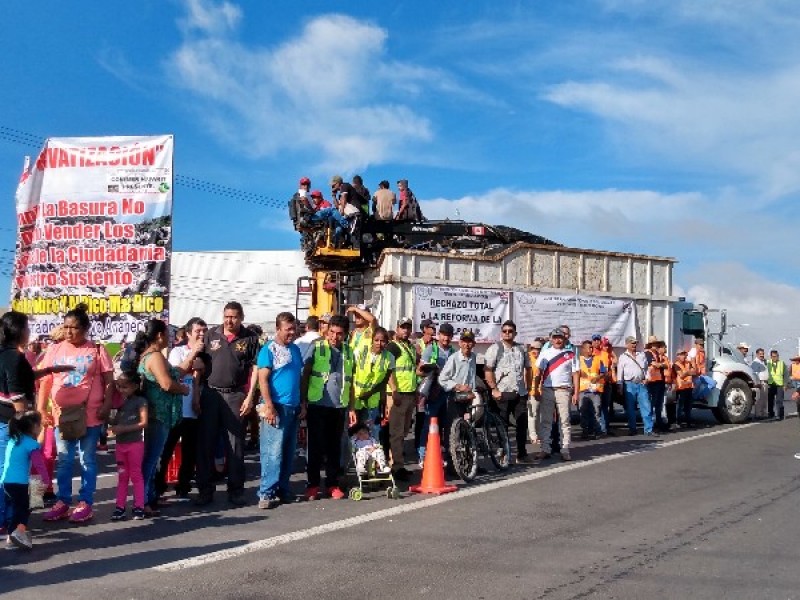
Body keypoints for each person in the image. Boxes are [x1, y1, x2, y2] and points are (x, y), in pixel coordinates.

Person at [39, 304, 114, 524]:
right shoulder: (55, 349)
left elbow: (109, 380)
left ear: (85, 328)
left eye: (74, 328)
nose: (69, 332)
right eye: (66, 327)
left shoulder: (97, 350)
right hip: (61, 415)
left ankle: (85, 503)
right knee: (63, 460)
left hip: (90, 414)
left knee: (87, 459)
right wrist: (42, 409)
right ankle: (62, 502)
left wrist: (107, 404)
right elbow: (46, 381)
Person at [198, 302, 260, 506]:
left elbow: (256, 369)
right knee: (206, 444)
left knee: (235, 446)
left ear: (241, 317)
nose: (229, 320)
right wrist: (197, 395)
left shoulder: (250, 338)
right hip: (210, 394)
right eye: (226, 316)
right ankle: (205, 490)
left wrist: (250, 397)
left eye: (233, 317)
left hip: (235, 396)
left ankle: (236, 490)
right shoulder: (211, 335)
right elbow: (200, 366)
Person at [132, 319, 189, 516]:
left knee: (152, 458)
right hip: (158, 413)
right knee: (151, 459)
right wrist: (183, 389)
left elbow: (174, 372)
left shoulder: (151, 355)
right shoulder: (154, 356)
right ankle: (143, 501)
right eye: (167, 333)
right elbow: (166, 383)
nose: (170, 337)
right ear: (159, 335)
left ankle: (150, 495)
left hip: (157, 412)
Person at [300, 315, 354, 501]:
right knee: (315, 447)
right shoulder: (316, 347)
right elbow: (305, 374)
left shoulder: (349, 351)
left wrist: (352, 407)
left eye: (339, 334)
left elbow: (351, 380)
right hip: (317, 404)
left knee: (334, 448)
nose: (334, 337)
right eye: (331, 332)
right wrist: (303, 402)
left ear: (345, 334)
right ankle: (313, 485)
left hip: (339, 406)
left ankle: (332, 484)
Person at [156, 317, 207, 501]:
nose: (201, 334)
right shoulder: (177, 351)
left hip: (194, 409)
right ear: (188, 333)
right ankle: (158, 485)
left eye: (204, 331)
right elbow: (176, 372)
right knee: (167, 448)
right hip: (177, 409)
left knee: (189, 450)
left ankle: (183, 486)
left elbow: (202, 375)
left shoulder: (206, 352)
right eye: (197, 331)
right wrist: (193, 356)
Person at [256, 312, 303, 509]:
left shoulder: (295, 350)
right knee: (272, 452)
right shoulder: (269, 349)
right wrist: (269, 406)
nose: (291, 333)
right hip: (276, 407)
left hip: (293, 407)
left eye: (294, 329)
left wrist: (303, 404)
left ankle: (283, 490)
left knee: (287, 451)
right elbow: (262, 380)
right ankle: (266, 493)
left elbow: (298, 378)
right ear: (278, 329)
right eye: (287, 329)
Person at [484, 320, 532, 463]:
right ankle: (504, 454)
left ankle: (521, 454)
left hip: (520, 393)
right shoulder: (495, 348)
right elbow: (488, 370)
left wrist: (528, 386)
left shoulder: (522, 349)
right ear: (501, 333)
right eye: (504, 331)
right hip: (503, 392)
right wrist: (494, 389)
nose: (507, 333)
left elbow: (528, 368)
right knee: (502, 426)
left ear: (515, 333)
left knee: (522, 424)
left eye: (510, 331)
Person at [1, 411, 50, 550]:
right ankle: (16, 535)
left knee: (14, 508)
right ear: (33, 426)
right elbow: (39, 464)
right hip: (19, 483)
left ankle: (13, 534)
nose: (40, 427)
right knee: (24, 508)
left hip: (6, 482)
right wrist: (45, 481)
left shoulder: (13, 440)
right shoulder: (30, 444)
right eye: (39, 424)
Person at [533, 329, 579, 461]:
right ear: (551, 339)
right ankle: (545, 449)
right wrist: (536, 389)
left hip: (564, 390)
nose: (558, 340)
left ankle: (565, 449)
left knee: (564, 421)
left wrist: (576, 392)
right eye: (555, 338)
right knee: (546, 421)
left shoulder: (570, 354)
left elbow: (576, 373)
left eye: (560, 338)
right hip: (547, 390)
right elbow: (538, 372)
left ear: (564, 339)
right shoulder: (545, 353)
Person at [109, 371, 148, 521]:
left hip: (135, 444)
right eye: (119, 386)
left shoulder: (140, 401)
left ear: (135, 386)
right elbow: (114, 421)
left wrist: (122, 428)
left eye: (124, 387)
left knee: (136, 475)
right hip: (120, 445)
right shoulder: (119, 402)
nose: (121, 389)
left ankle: (139, 506)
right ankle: (120, 507)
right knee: (122, 476)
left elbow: (144, 423)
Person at [418, 323, 457, 464]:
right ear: (439, 335)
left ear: (452, 337)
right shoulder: (431, 349)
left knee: (447, 425)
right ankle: (423, 456)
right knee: (429, 425)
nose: (446, 338)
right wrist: (433, 370)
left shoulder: (454, 352)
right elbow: (419, 371)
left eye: (448, 335)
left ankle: (444, 455)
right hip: (434, 393)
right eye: (443, 335)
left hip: (448, 393)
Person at [437, 329, 478, 457]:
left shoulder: (473, 357)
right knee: (453, 432)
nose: (467, 345)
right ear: (460, 343)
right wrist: (458, 386)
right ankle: (452, 463)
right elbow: (442, 379)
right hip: (455, 398)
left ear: (473, 344)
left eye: (470, 342)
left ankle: (470, 462)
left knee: (468, 429)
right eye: (464, 342)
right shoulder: (454, 358)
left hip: (468, 398)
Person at [386, 317, 418, 480]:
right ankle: (396, 467)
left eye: (408, 327)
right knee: (396, 432)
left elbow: (412, 370)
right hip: (397, 394)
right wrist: (394, 390)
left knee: (404, 431)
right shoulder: (393, 347)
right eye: (403, 327)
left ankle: (397, 462)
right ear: (397, 328)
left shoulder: (410, 347)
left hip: (410, 393)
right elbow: (389, 369)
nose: (405, 330)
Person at [352, 327, 396, 442]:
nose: (379, 344)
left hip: (372, 400)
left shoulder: (389, 357)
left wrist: (372, 394)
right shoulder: (360, 352)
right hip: (355, 398)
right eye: (376, 340)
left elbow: (385, 381)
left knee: (371, 432)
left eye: (382, 341)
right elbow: (350, 373)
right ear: (372, 340)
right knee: (352, 430)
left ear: (387, 342)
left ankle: (372, 458)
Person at [616, 336, 655, 437]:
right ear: (627, 344)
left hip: (641, 383)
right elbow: (620, 372)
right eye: (632, 343)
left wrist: (647, 378)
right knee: (630, 408)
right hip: (629, 384)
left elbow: (646, 369)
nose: (634, 345)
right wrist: (619, 385)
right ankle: (632, 429)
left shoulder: (641, 355)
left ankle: (649, 429)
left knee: (646, 406)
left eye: (635, 343)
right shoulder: (623, 357)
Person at [577, 340, 606, 440]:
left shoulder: (598, 359)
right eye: (588, 347)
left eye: (591, 347)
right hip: (583, 390)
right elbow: (573, 373)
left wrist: (598, 377)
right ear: (583, 349)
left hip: (595, 390)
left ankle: (597, 431)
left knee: (596, 410)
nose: (591, 349)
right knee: (583, 411)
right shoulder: (578, 360)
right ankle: (585, 431)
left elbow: (603, 372)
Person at [645, 336, 669, 433]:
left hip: (660, 381)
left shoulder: (657, 355)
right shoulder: (647, 354)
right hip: (652, 382)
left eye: (656, 344)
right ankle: (651, 424)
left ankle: (659, 423)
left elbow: (665, 365)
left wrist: (662, 365)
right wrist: (662, 365)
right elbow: (657, 365)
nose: (656, 346)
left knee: (659, 404)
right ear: (650, 345)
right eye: (654, 344)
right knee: (652, 404)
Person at [672, 350, 695, 428]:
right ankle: (678, 422)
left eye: (684, 355)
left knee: (688, 406)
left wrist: (687, 373)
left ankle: (688, 422)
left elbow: (694, 372)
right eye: (681, 355)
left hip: (689, 387)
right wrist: (688, 372)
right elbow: (681, 375)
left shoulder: (688, 363)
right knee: (680, 406)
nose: (683, 356)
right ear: (678, 356)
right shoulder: (676, 365)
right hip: (681, 388)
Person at [526, 339, 543, 447]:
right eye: (533, 349)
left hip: (542, 390)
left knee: (539, 414)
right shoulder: (528, 359)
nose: (535, 351)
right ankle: (533, 436)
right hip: (531, 390)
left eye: (538, 349)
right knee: (532, 414)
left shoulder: (542, 359)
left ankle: (538, 434)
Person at [767, 350, 790, 421]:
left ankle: (780, 415)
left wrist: (785, 384)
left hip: (779, 384)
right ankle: (771, 413)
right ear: (771, 357)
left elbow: (786, 374)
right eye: (774, 356)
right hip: (770, 384)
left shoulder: (781, 363)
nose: (775, 358)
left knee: (779, 400)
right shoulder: (767, 363)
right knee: (770, 400)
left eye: (777, 356)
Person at [750, 347, 769, 419]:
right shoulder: (755, 362)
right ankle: (758, 414)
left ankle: (763, 414)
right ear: (757, 354)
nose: (762, 355)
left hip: (765, 383)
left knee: (764, 400)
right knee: (759, 400)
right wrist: (758, 383)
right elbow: (755, 374)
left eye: (763, 354)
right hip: (760, 383)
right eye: (760, 354)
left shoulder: (763, 362)